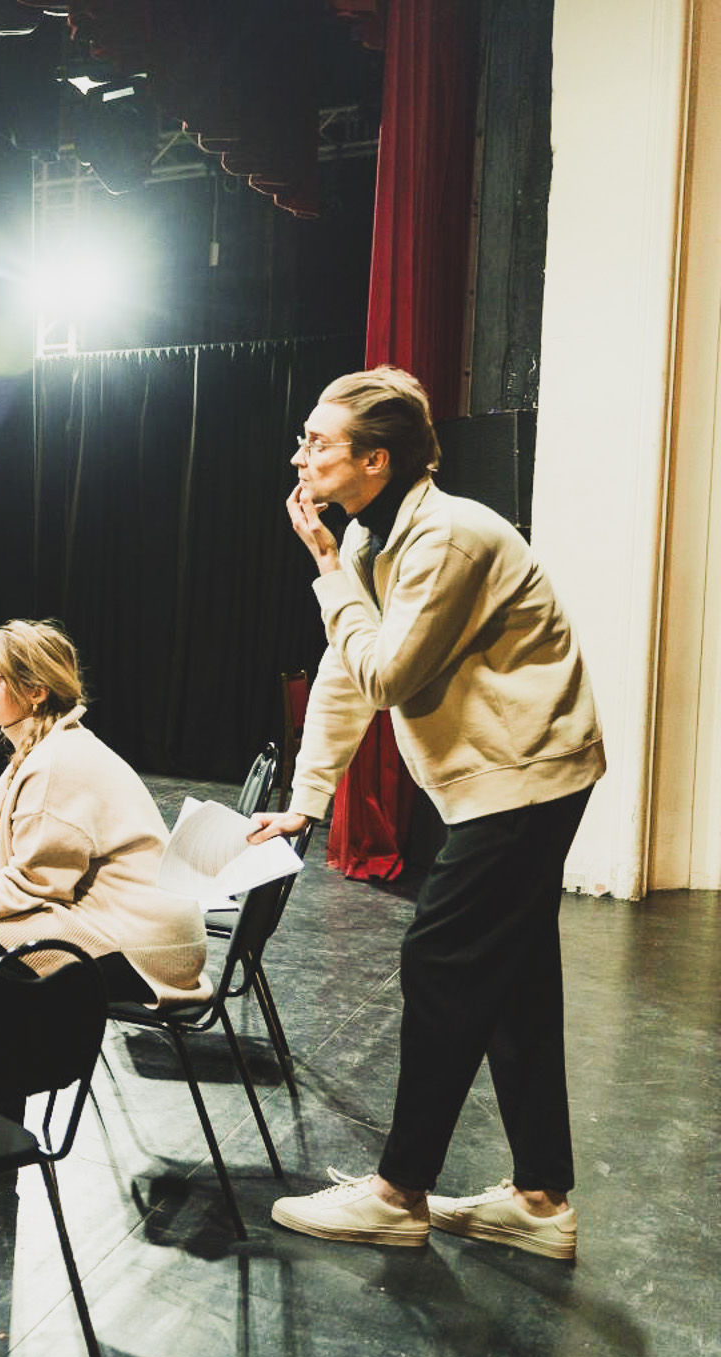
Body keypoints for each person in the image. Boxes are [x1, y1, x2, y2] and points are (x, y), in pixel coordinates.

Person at [253, 365, 604, 1260]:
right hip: (505, 776)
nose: (300, 456)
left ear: (376, 459)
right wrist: (306, 801)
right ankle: (540, 1200)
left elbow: (385, 674)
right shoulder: (376, 534)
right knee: (516, 982)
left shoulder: (445, 537)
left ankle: (398, 1192)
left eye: (318, 442)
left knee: (441, 960)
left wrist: (326, 570)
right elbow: (345, 674)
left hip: (524, 776)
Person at [0, 620, 208, 1005]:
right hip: (139, 927)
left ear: (36, 691)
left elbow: (36, 884)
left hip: (149, 949)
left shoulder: (54, 764)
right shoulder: (51, 747)